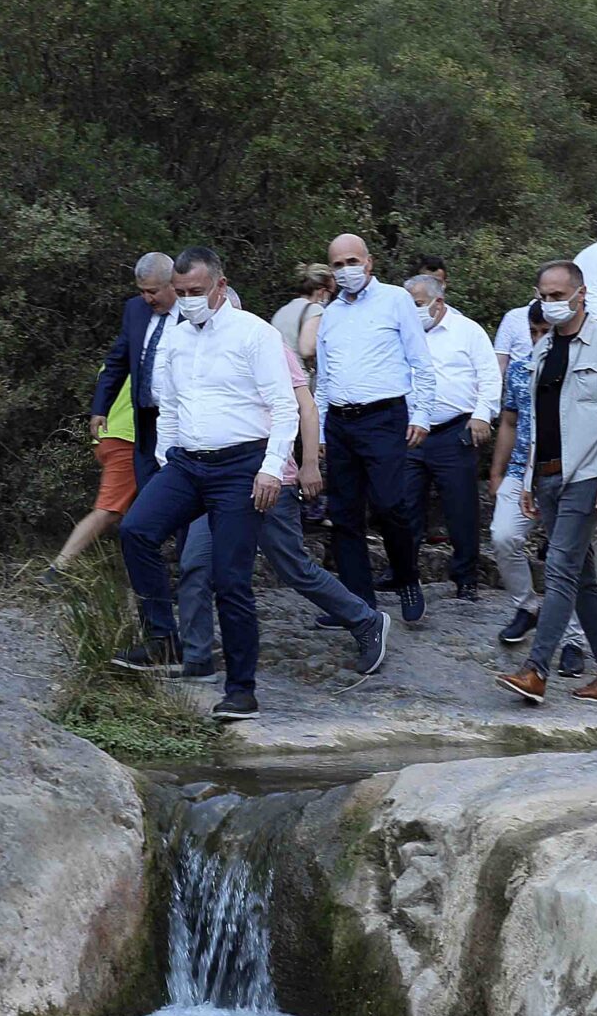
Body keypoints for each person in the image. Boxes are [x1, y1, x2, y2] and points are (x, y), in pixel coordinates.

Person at [112, 247, 295, 723]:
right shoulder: (175, 336)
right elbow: (168, 402)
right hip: (187, 462)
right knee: (136, 530)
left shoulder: (255, 333)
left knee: (230, 578)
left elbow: (285, 405)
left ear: (219, 285)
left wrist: (272, 467)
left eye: (197, 292)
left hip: (241, 465)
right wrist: (165, 457)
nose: (189, 300)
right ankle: (164, 640)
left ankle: (241, 689)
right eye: (183, 292)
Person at [171, 332, 389, 682]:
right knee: (195, 562)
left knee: (292, 566)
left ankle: (366, 620)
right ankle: (197, 657)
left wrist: (308, 463)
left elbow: (305, 405)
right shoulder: (196, 348)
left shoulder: (266, 345)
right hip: (212, 478)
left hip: (269, 478)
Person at [496, 260, 597, 704]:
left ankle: (536, 671)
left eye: (558, 295)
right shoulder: (541, 352)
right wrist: (525, 479)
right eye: (544, 295)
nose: (551, 303)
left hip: (590, 474)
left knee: (559, 569)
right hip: (547, 475)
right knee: (582, 579)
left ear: (581, 295)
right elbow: (534, 423)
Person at [316, 234, 438, 625]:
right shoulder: (330, 314)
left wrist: (421, 414)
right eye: (338, 264)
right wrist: (318, 432)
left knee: (390, 505)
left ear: (369, 262)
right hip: (339, 422)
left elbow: (420, 360)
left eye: (352, 261)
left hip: (384, 418)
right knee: (344, 514)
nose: (346, 270)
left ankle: (406, 577)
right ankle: (358, 605)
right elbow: (324, 376)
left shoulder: (395, 300)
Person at [407, 273, 502, 599]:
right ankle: (402, 572)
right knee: (403, 504)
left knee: (461, 507)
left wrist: (481, 416)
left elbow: (489, 377)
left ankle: (466, 577)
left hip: (454, 430)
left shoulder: (468, 331)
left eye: (418, 304)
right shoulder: (403, 334)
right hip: (410, 432)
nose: (413, 311)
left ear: (438, 302)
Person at [488, 301, 553, 645]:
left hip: (566, 473)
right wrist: (496, 473)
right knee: (502, 535)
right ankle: (525, 606)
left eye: (546, 331)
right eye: (534, 332)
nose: (539, 339)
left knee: (566, 555)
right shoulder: (518, 371)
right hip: (521, 470)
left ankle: (571, 636)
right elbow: (509, 422)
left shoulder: (579, 367)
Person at [91, 252, 178, 497]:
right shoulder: (135, 309)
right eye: (142, 291)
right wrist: (100, 408)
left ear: (172, 284)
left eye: (153, 291)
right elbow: (118, 361)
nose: (147, 298)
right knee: (148, 492)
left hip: (182, 417)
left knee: (181, 491)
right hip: (147, 418)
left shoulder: (192, 312)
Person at [43, 378, 139, 580]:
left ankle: (136, 574)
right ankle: (58, 569)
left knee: (137, 512)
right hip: (128, 439)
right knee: (108, 511)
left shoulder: (118, 362)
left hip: (107, 434)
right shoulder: (151, 356)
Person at [271, 263, 332, 365]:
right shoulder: (315, 310)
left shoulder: (281, 311)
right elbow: (307, 350)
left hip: (280, 372)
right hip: (301, 375)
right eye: (331, 293)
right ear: (321, 292)